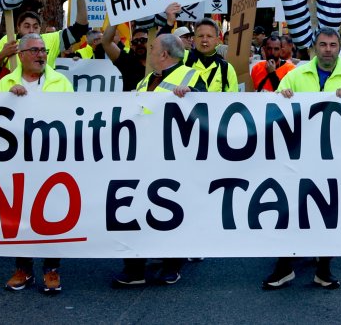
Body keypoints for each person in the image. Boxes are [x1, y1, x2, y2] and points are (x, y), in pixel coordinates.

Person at [262, 27, 341, 290]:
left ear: (338, 48)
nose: (328, 50)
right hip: (299, 156)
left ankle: (323, 270)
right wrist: (281, 97)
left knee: (329, 212)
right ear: (314, 48)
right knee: (292, 211)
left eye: (333, 45)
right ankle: (284, 267)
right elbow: (272, 109)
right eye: (323, 45)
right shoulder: (296, 76)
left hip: (336, 159)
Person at [114, 34, 206, 287]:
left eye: (153, 47)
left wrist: (191, 94)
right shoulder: (148, 79)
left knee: (171, 210)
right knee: (137, 209)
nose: (149, 50)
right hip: (143, 155)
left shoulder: (190, 75)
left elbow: (206, 104)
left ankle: (171, 264)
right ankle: (134, 268)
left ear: (164, 54)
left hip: (175, 157)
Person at [0, 34, 74, 293]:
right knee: (20, 214)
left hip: (51, 159)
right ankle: (24, 269)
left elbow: (73, 117)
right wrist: (9, 98)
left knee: (53, 214)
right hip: (16, 160)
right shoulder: (4, 82)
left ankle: (52, 269)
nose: (41, 55)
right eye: (35, 50)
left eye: (43, 50)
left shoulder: (62, 82)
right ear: (21, 55)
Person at [0, 0, 89, 76]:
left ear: (41, 28)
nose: (31, 30)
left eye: (35, 27)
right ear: (18, 28)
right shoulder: (8, 40)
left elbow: (80, 29)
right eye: (27, 26)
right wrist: (2, 54)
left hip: (44, 91)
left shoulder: (52, 39)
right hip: (17, 90)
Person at [184, 18, 238, 91]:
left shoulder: (226, 68)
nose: (204, 40)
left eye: (209, 36)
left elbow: (232, 100)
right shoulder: (182, 58)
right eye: (200, 36)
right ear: (194, 39)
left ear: (217, 40)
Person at [101, 26, 148, 91]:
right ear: (132, 46)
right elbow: (106, 42)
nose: (139, 43)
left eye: (143, 40)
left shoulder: (161, 62)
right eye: (135, 41)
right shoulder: (127, 62)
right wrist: (116, 17)